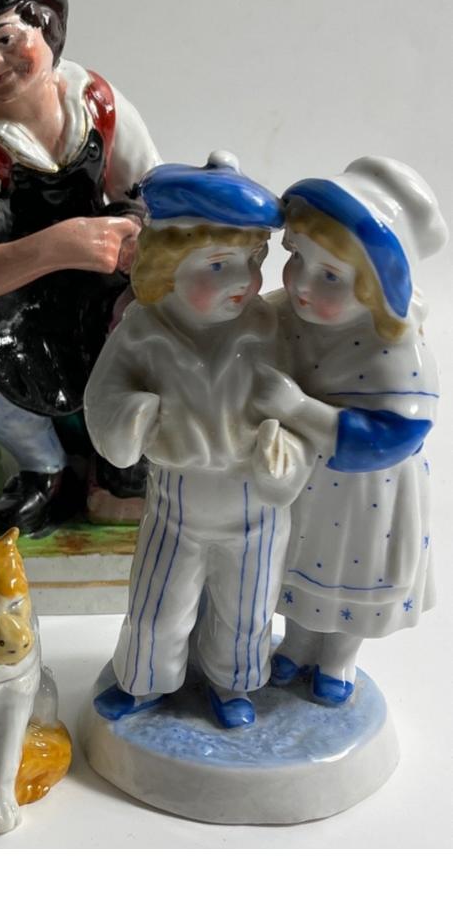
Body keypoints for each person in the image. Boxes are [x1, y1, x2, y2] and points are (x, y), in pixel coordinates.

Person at [0, 0, 161, 536]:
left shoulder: (96, 101)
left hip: (103, 279)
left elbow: (154, 194)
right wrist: (60, 244)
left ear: (46, 26)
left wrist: (136, 231)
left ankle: (121, 459)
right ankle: (43, 467)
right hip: (20, 288)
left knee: (150, 320)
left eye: (4, 39)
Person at [84, 154, 312, 728]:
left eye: (253, 261)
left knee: (246, 609)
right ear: (167, 266)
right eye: (218, 264)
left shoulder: (270, 330)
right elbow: (103, 398)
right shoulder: (142, 332)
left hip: (253, 503)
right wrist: (133, 416)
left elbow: (300, 414)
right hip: (175, 503)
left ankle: (233, 685)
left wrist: (285, 453)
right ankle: (144, 681)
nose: (245, 281)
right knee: (158, 605)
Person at [257, 158, 444, 706]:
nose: (302, 285)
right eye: (296, 258)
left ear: (379, 287)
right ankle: (296, 645)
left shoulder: (396, 349)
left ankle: (338, 658)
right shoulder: (286, 314)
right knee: (296, 567)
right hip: (301, 484)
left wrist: (298, 409)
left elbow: (395, 435)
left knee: (351, 580)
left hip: (368, 498)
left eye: (331, 276)